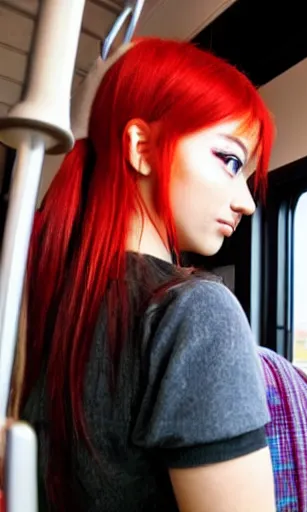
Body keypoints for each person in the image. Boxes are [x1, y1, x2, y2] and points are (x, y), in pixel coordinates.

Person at [16, 37, 276, 512]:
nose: (247, 202)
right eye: (231, 161)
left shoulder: (49, 297)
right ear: (142, 147)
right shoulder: (196, 311)